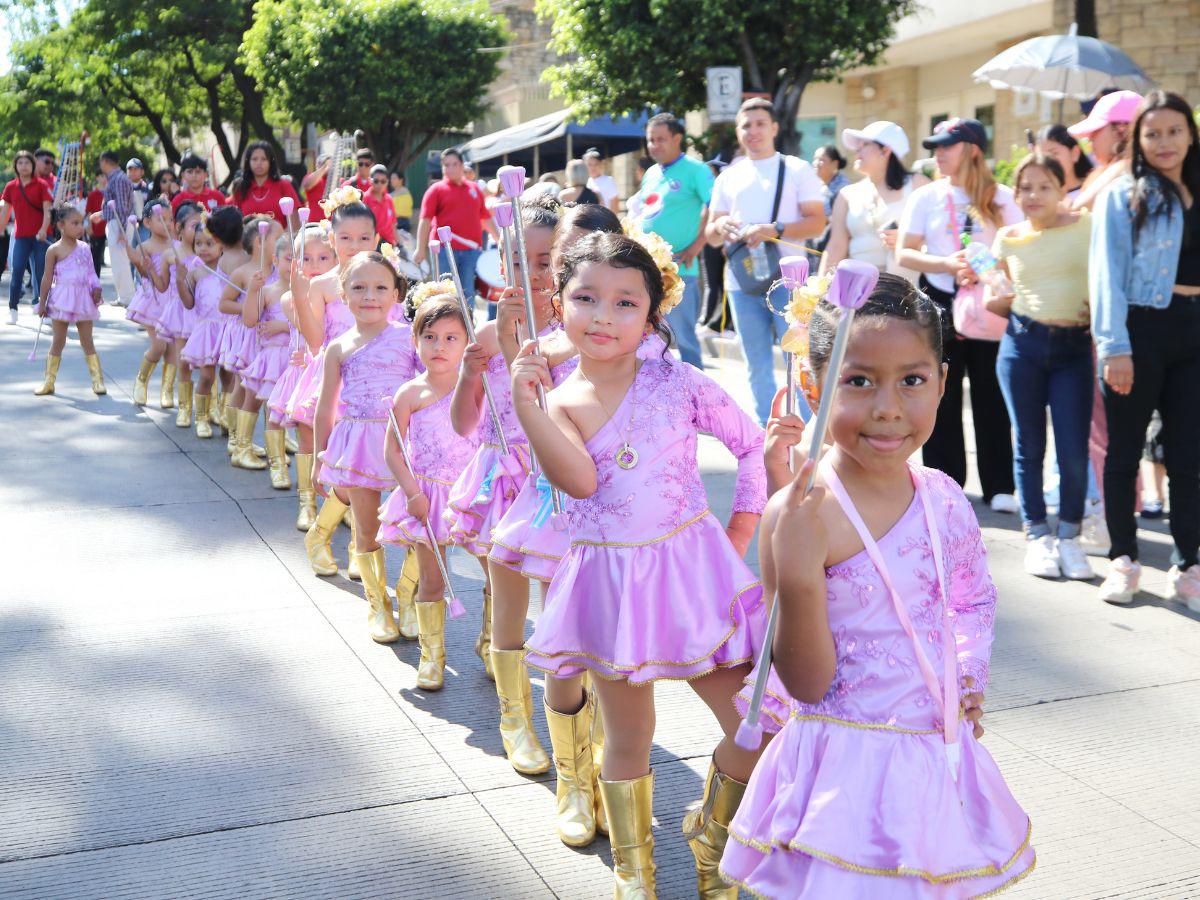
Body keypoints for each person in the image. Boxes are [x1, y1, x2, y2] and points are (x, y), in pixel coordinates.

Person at [720, 275, 1035, 898]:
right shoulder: (799, 514)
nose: (888, 407)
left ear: (944, 381)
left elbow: (971, 599)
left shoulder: (943, 497)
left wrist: (966, 677)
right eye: (858, 380)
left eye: (912, 381)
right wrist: (801, 570)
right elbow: (807, 683)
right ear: (813, 386)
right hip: (844, 774)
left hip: (934, 760)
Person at [512, 232, 768, 897]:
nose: (603, 316)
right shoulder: (557, 401)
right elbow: (579, 482)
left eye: (626, 302)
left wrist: (740, 529)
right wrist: (525, 405)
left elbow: (752, 444)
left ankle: (712, 840)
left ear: (653, 314)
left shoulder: (679, 382)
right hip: (611, 586)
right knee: (630, 736)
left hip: (695, 577)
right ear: (558, 302)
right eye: (585, 298)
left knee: (754, 721)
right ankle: (635, 871)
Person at [444, 200, 561, 774]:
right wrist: (468, 371)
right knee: (512, 594)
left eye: (548, 259)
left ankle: (574, 726)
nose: (535, 272)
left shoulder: (580, 331)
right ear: (502, 261)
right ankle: (514, 717)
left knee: (562, 604)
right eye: (522, 259)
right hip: (505, 479)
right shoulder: (488, 333)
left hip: (558, 482)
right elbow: (463, 426)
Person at [1090, 90, 1200, 609]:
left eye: (1174, 130)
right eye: (1152, 133)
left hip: (1195, 332)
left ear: (1190, 133)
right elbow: (1106, 274)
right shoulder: (1124, 194)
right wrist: (1115, 346)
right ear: (1137, 139)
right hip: (1141, 327)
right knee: (1124, 451)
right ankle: (1124, 560)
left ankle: (1188, 565)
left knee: (1188, 455)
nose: (1164, 142)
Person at [896, 117, 1021, 512]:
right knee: (940, 396)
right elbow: (905, 252)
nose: (938, 155)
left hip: (989, 305)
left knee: (992, 394)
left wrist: (987, 269)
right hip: (938, 302)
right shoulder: (926, 196)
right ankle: (944, 482)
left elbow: (1020, 248)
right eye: (935, 147)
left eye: (947, 146)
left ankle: (1000, 484)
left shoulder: (1002, 197)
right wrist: (947, 264)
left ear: (972, 150)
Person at [986, 154, 1095, 580]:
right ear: (1015, 195)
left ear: (1062, 189)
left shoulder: (1085, 225)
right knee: (1028, 447)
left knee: (1072, 449)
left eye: (1044, 186)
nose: (1034, 196)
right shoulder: (1008, 238)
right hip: (1022, 346)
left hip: (1073, 349)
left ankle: (1069, 534)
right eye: (1025, 188)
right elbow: (997, 296)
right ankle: (1037, 535)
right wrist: (985, 283)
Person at [378, 288, 483, 689]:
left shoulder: (477, 387)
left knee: (493, 572)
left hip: (473, 496)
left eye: (451, 337)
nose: (439, 346)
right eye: (430, 336)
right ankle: (432, 656)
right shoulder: (410, 393)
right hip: (428, 496)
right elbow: (392, 448)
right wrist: (411, 491)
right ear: (415, 340)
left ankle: (492, 641)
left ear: (467, 343)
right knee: (433, 578)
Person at [313, 251, 417, 643]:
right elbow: (325, 408)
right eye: (358, 287)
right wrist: (320, 458)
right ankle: (378, 606)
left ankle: (408, 598)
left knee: (416, 524)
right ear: (343, 293)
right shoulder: (337, 348)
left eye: (379, 288)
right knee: (366, 527)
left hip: (404, 442)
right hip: (355, 444)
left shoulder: (409, 338)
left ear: (395, 295)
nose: (369, 296)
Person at [707, 98, 827, 425]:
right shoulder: (728, 177)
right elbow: (712, 233)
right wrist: (720, 226)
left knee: (799, 360)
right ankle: (768, 432)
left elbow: (817, 222)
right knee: (756, 365)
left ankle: (804, 434)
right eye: (746, 125)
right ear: (738, 131)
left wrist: (776, 229)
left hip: (791, 282)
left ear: (774, 128)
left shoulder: (797, 169)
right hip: (742, 282)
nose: (753, 131)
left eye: (760, 124)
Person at [293, 196, 383, 580]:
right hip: (336, 378)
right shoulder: (324, 286)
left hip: (375, 387)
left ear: (377, 239)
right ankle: (324, 534)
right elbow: (316, 340)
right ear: (331, 239)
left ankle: (348, 545)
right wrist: (300, 292)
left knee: (365, 474)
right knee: (347, 472)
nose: (355, 246)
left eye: (364, 238)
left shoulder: (385, 278)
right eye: (345, 237)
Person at [269, 225, 338, 530]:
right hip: (306, 374)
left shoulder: (338, 294)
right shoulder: (290, 297)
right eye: (306, 259)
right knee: (307, 439)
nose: (314, 266)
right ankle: (307, 502)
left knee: (340, 439)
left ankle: (341, 502)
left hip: (336, 375)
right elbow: (314, 336)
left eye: (323, 258)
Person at [634, 111, 714, 369]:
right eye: (650, 140)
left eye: (660, 139)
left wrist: (697, 245)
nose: (654, 145)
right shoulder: (651, 174)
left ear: (677, 138)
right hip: (649, 269)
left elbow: (715, 207)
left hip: (681, 268)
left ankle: (698, 396)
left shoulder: (696, 170)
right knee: (652, 337)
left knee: (684, 338)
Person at [822, 120, 927, 279]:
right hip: (858, 293)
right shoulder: (847, 194)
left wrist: (909, 242)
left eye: (864, 145)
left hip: (907, 293)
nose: (857, 150)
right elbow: (836, 247)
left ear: (885, 151)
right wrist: (820, 292)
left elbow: (940, 238)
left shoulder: (918, 185)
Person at [220, 214, 283, 470]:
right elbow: (224, 304)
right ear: (261, 242)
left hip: (268, 338)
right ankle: (237, 439)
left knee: (266, 389)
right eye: (278, 239)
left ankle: (273, 441)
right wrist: (251, 305)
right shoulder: (244, 272)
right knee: (244, 388)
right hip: (249, 335)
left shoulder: (280, 271)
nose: (283, 244)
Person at [32, 205, 105, 397]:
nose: (80, 227)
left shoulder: (85, 248)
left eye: (81, 223)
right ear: (61, 225)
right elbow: (47, 278)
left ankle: (97, 380)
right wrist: (42, 302)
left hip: (83, 299)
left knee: (87, 340)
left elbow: (91, 273)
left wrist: (95, 288)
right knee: (58, 340)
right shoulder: (53, 250)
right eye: (75, 223)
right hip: (62, 299)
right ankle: (49, 381)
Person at [241, 235, 295, 489]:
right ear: (275, 259)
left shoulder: (308, 291)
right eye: (289, 258)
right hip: (275, 359)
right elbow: (250, 320)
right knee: (274, 413)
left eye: (302, 258)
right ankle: (277, 465)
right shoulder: (269, 291)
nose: (295, 263)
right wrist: (253, 291)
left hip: (298, 360)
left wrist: (283, 325)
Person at [413, 148, 496, 298]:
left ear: (462, 165)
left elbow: (485, 217)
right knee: (445, 293)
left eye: (454, 164)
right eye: (446, 165)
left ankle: (467, 322)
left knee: (468, 293)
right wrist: (420, 249)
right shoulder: (436, 190)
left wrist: (499, 239)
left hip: (471, 251)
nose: (450, 168)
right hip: (444, 250)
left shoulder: (474, 188)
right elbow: (425, 220)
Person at [124, 198, 177, 408]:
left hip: (174, 300)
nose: (167, 223)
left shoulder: (176, 244)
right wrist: (138, 262)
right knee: (158, 346)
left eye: (170, 219)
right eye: (161, 219)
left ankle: (167, 390)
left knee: (173, 349)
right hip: (153, 301)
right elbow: (144, 276)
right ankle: (141, 380)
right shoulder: (145, 245)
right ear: (147, 223)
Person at [179, 218, 228, 439]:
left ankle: (227, 415)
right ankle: (201, 417)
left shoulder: (229, 270)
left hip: (226, 329)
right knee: (207, 376)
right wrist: (180, 282)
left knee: (229, 376)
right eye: (199, 243)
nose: (203, 249)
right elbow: (188, 303)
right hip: (206, 330)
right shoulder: (195, 271)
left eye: (209, 243)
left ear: (222, 245)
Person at [157, 202, 205, 427]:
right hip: (181, 312)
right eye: (195, 226)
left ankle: (209, 407)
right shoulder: (170, 254)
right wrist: (145, 267)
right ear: (179, 227)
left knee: (208, 361)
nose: (199, 231)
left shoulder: (208, 252)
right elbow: (162, 286)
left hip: (204, 312)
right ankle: (185, 408)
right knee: (183, 360)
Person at [0, 150, 53, 324]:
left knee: (40, 273)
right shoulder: (10, 187)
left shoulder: (41, 185)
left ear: (33, 165)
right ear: (15, 165)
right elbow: (5, 212)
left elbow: (47, 211)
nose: (24, 166)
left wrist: (44, 229)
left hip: (40, 238)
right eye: (20, 163)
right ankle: (13, 309)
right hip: (21, 237)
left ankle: (42, 308)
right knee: (16, 271)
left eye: (27, 163)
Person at [1069, 90, 1142, 211]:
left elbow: (1078, 208)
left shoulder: (1125, 166)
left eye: (1094, 132)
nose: (1089, 140)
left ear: (1121, 130)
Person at [94, 150, 137, 307]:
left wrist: (121, 230)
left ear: (105, 161)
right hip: (116, 222)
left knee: (120, 262)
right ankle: (124, 296)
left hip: (119, 223)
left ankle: (128, 297)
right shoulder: (117, 178)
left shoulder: (117, 179)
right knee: (119, 261)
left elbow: (121, 207)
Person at [232, 141, 301, 229]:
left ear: (271, 161)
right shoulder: (241, 187)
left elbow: (295, 224)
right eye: (254, 159)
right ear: (248, 161)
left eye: (264, 159)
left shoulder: (284, 185)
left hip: (280, 241)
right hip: (249, 242)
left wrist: (281, 240)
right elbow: (236, 222)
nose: (259, 163)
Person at [700, 154, 732, 335]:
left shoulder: (718, 190)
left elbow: (705, 216)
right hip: (712, 240)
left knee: (719, 284)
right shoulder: (713, 191)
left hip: (719, 243)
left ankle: (715, 323)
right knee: (715, 284)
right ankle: (712, 321)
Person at [1035, 124, 1093, 202]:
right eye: (1042, 156)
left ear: (1075, 153)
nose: (1048, 161)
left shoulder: (1094, 187)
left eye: (1054, 153)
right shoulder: (1038, 199)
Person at [809, 144, 850, 253]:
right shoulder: (818, 184)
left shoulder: (843, 187)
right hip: (818, 243)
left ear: (834, 164)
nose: (816, 163)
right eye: (815, 159)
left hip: (835, 246)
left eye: (821, 160)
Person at [362, 164, 398, 246]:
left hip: (389, 245)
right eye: (376, 181)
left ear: (387, 182)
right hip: (372, 245)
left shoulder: (389, 199)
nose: (379, 184)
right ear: (370, 180)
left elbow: (393, 225)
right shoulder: (365, 199)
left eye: (383, 181)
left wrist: (399, 244)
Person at [582, 148, 620, 213]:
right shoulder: (585, 182)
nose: (593, 167)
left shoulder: (608, 180)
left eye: (596, 164)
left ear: (601, 164)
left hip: (605, 219)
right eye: (590, 164)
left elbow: (615, 205)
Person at [85, 173, 107, 277]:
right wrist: (89, 227)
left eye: (106, 176)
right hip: (97, 229)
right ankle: (95, 279)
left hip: (110, 228)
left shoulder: (112, 193)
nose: (104, 179)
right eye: (101, 176)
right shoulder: (93, 194)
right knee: (95, 256)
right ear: (97, 177)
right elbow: (89, 212)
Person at [301, 155, 332, 223]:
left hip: (333, 224)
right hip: (315, 224)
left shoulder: (338, 180)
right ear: (317, 165)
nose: (328, 166)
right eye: (322, 163)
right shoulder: (310, 177)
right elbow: (307, 185)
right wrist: (324, 167)